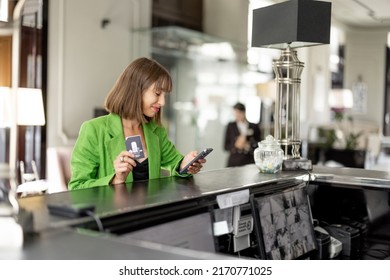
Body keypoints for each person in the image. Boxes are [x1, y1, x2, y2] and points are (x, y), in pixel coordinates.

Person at [68, 57, 206, 190]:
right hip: (114, 212)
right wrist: (116, 179)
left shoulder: (156, 131)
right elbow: (77, 187)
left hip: (149, 211)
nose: (163, 102)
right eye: (157, 93)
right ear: (136, 91)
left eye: (165, 95)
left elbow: (175, 162)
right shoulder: (93, 130)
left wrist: (185, 164)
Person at [224, 102, 261, 167]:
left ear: (244, 112)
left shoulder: (254, 126)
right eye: (235, 113)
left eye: (239, 113)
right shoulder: (231, 126)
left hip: (249, 161)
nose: (237, 115)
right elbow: (226, 146)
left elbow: (259, 143)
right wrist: (236, 145)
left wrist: (249, 145)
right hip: (234, 162)